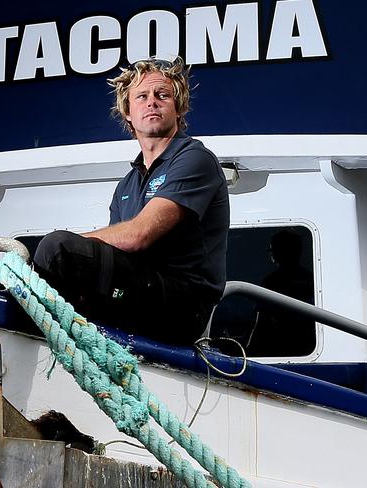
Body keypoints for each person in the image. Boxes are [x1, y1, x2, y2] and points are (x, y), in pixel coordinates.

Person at [33, 58, 229, 344]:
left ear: (179, 107)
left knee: (58, 248)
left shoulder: (194, 158)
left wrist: (70, 247)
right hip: (142, 290)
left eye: (162, 95)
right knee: (67, 273)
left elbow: (139, 235)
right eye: (142, 96)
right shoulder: (127, 184)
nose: (152, 102)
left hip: (184, 305)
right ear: (127, 112)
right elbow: (118, 254)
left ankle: (24, 329)